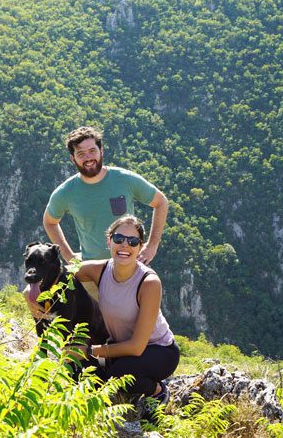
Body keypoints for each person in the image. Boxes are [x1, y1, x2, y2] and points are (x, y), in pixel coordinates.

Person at [28, 215, 179, 417]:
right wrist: (30, 292)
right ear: (109, 241)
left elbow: (136, 346)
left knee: (119, 375)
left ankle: (158, 391)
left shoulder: (149, 282)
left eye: (133, 241)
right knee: (87, 376)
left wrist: (88, 350)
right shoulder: (98, 270)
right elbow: (57, 274)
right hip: (119, 348)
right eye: (118, 239)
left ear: (140, 247)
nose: (125, 245)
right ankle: (131, 385)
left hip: (158, 350)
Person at [43, 126, 168, 265]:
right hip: (91, 272)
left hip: (129, 268)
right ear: (73, 159)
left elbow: (161, 202)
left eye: (92, 151)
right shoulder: (66, 192)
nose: (88, 158)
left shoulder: (124, 179)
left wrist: (152, 246)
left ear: (101, 151)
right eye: (81, 154)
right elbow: (49, 222)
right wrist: (69, 256)